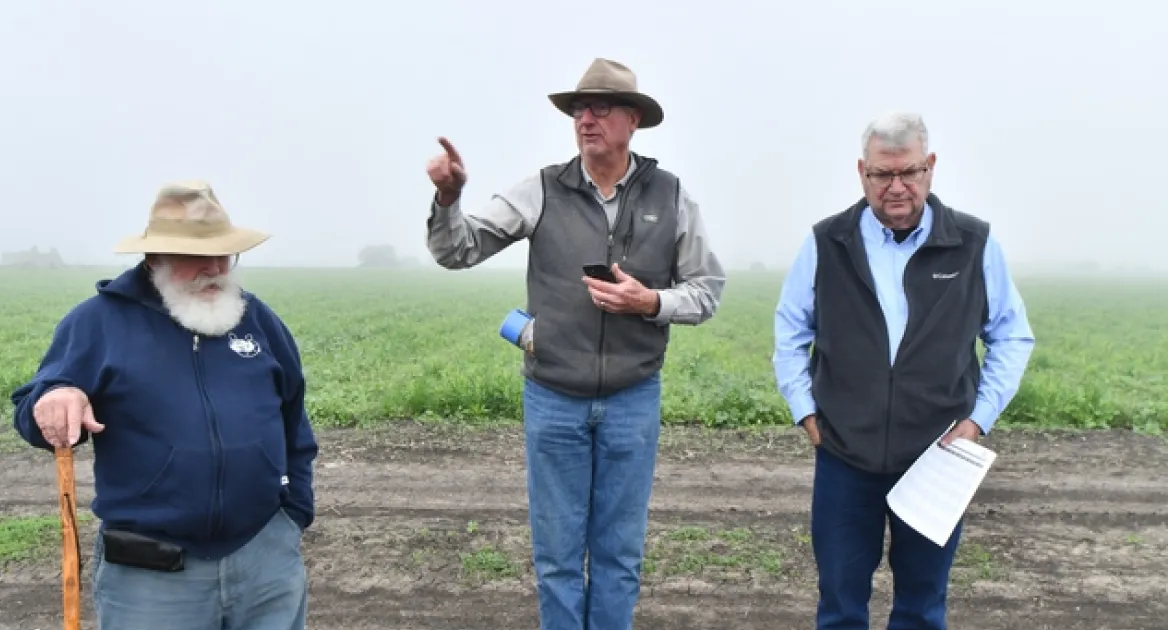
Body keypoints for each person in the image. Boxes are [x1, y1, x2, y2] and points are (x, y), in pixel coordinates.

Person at [424, 57, 726, 629]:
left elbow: (706, 291)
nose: (586, 119)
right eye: (579, 109)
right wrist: (448, 200)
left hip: (633, 398)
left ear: (633, 120)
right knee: (557, 557)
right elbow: (456, 250)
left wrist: (650, 302)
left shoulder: (671, 196)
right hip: (553, 398)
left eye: (601, 108)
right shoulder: (541, 189)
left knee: (619, 556)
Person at [11, 181, 318, 630]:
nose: (214, 268)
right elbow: (34, 408)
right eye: (197, 255)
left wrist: (293, 515)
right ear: (155, 256)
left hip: (265, 559)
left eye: (224, 254)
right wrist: (54, 397)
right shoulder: (99, 322)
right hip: (151, 576)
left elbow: (293, 419)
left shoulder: (257, 320)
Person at [772, 111, 1036, 630]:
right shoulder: (827, 242)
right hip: (845, 456)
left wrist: (976, 421)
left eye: (908, 172)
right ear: (861, 172)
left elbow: (1011, 335)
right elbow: (790, 332)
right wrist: (806, 412)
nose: (896, 187)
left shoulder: (973, 244)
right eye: (881, 174)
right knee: (840, 606)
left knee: (921, 607)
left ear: (929, 167)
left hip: (938, 457)